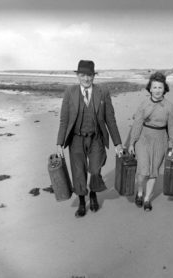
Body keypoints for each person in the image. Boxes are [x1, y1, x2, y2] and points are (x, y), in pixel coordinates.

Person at [56, 60, 123, 218]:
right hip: (76, 140)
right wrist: (59, 143)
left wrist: (118, 143)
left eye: (89, 75)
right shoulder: (69, 92)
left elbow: (110, 119)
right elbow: (64, 120)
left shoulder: (103, 92)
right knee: (78, 172)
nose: (86, 79)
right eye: (83, 75)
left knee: (95, 170)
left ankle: (92, 194)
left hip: (96, 138)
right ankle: (81, 201)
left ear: (94, 76)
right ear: (78, 76)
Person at [128, 72, 173, 211]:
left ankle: (146, 199)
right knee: (143, 171)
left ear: (164, 89)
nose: (157, 90)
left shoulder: (170, 107)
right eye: (154, 87)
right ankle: (139, 192)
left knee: (153, 171)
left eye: (160, 87)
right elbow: (137, 124)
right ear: (150, 88)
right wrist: (132, 142)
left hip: (160, 139)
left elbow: (172, 127)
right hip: (143, 138)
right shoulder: (143, 104)